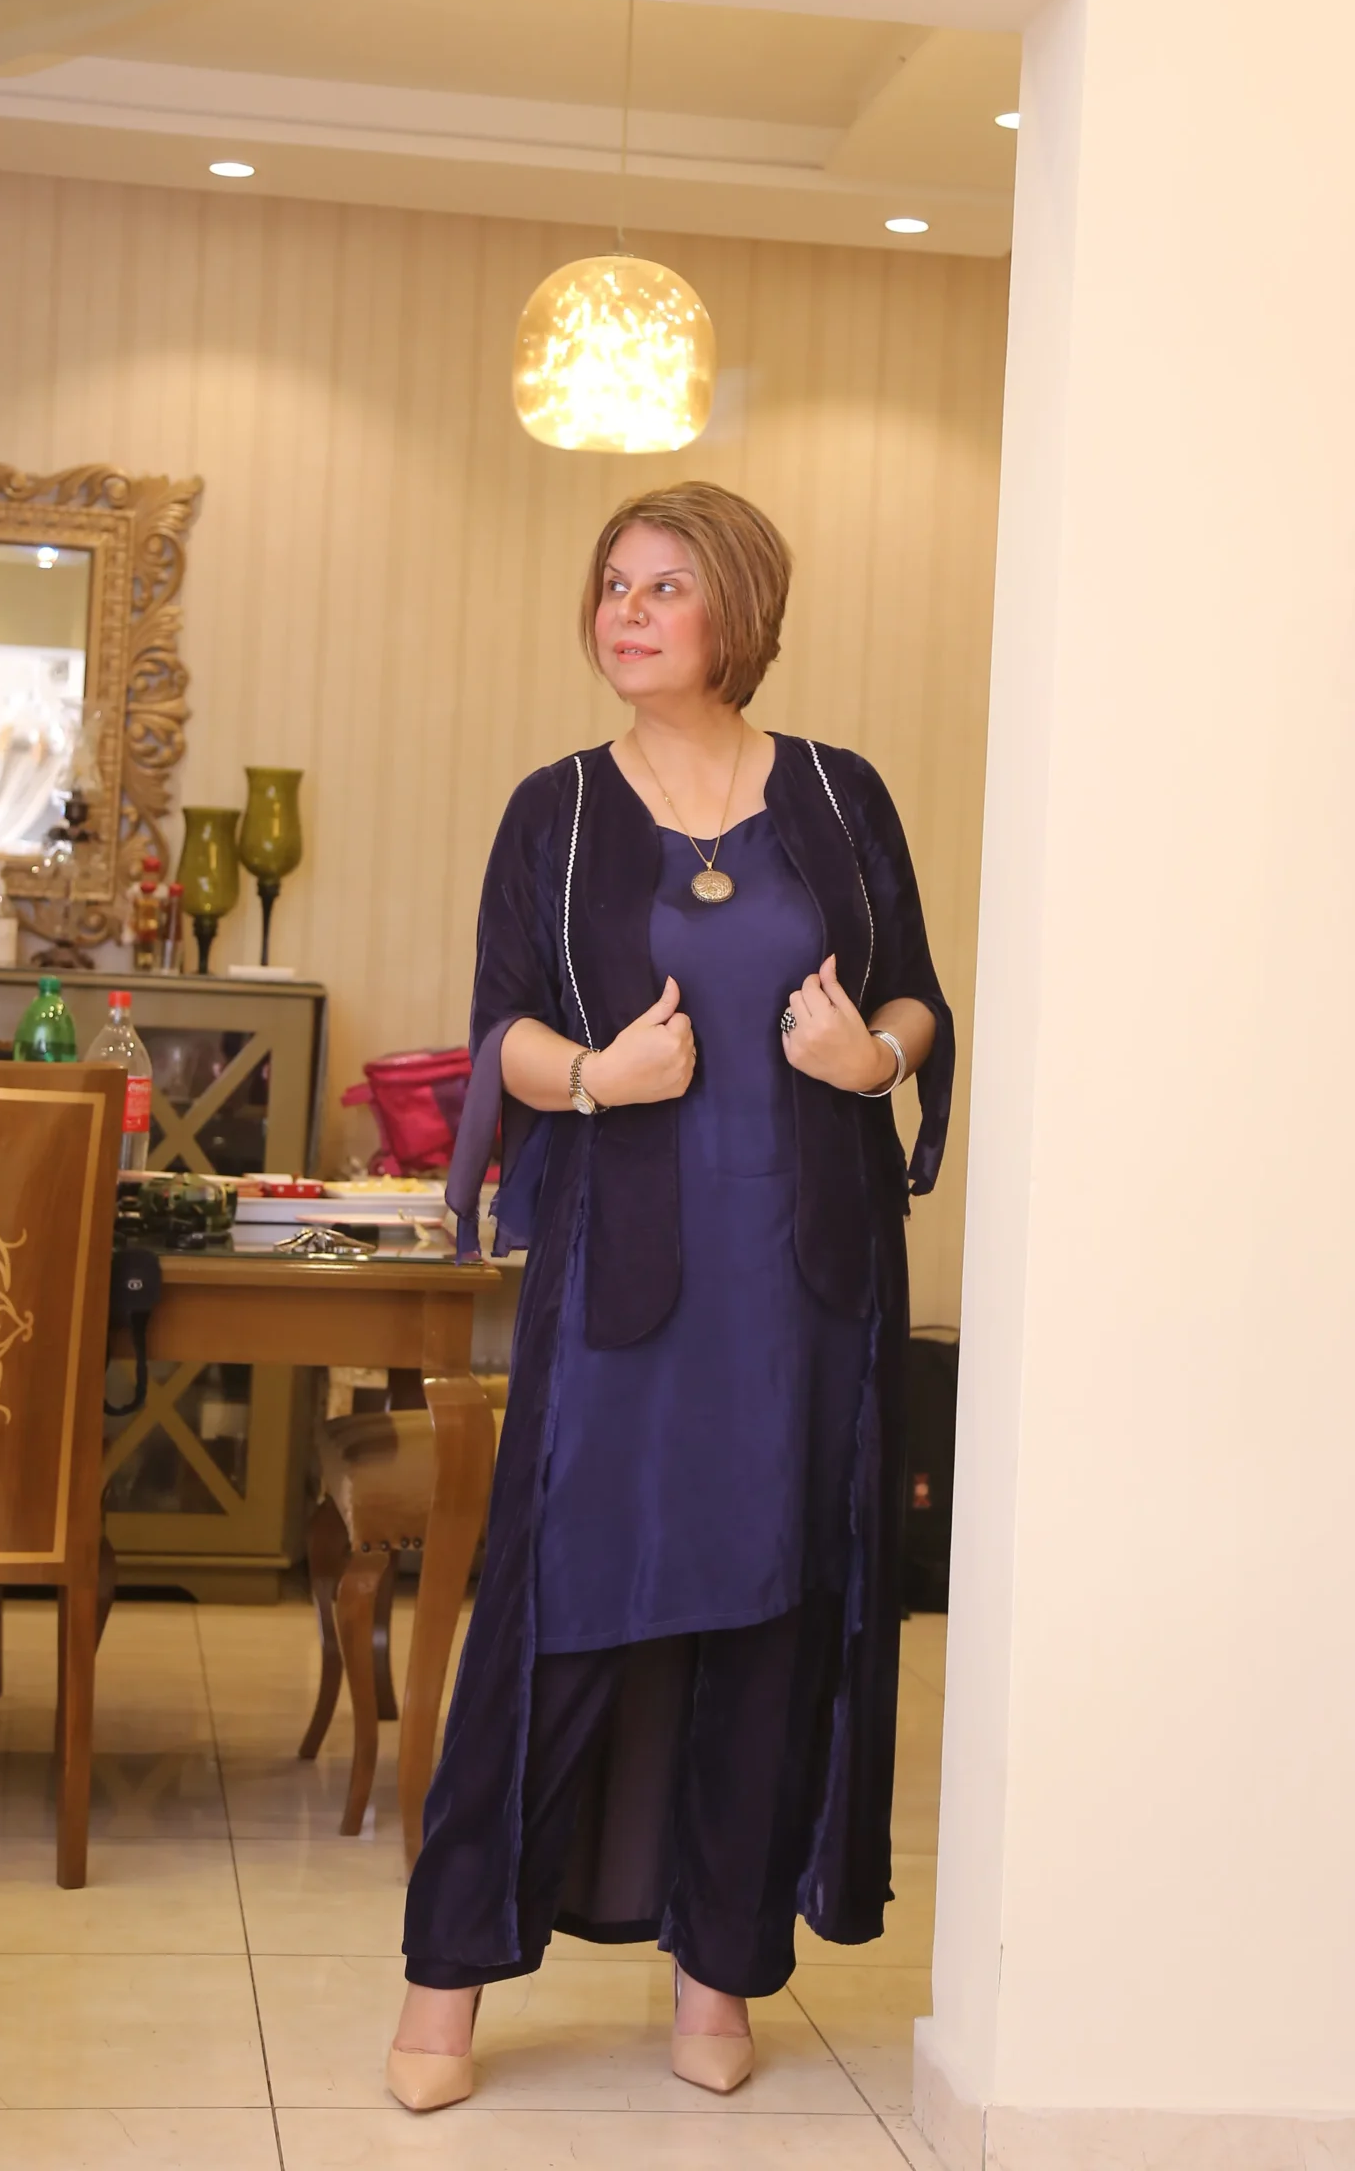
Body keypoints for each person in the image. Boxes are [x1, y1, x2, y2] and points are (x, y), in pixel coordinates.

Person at [387, 479, 954, 2111]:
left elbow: (913, 995)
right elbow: (500, 1027)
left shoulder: (838, 797)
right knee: (563, 1612)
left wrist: (871, 1059)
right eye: (612, 585)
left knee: (773, 1616)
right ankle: (443, 1988)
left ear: (738, 613)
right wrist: (590, 1078)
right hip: (620, 1289)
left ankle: (721, 1974)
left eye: (663, 586)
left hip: (803, 1291)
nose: (625, 614)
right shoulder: (556, 811)